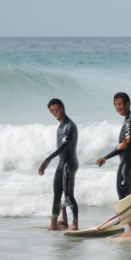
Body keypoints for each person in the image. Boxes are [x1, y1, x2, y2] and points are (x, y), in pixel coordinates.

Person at [95, 92, 131, 241]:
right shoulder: (128, 120)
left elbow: (124, 144)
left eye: (120, 104)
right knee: (126, 195)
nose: (118, 107)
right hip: (130, 160)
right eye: (116, 105)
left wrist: (105, 157)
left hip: (127, 162)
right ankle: (128, 229)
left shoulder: (129, 122)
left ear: (128, 103)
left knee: (123, 197)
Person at [38, 98, 79, 231]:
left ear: (63, 108)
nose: (55, 112)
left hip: (70, 163)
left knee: (68, 195)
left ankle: (75, 223)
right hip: (62, 163)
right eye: (52, 111)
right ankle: (56, 223)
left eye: (57, 109)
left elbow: (63, 146)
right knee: (57, 193)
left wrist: (47, 160)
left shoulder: (70, 126)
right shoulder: (60, 126)